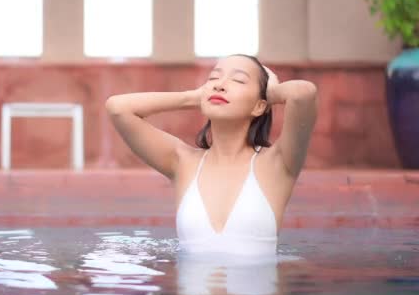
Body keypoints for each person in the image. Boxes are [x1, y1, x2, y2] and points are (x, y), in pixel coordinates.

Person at [105, 54, 318, 255]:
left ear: (260, 106)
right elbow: (117, 108)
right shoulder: (182, 162)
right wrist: (194, 97)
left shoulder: (277, 164)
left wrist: (270, 93)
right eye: (214, 78)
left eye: (238, 80)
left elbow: (303, 93)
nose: (219, 84)